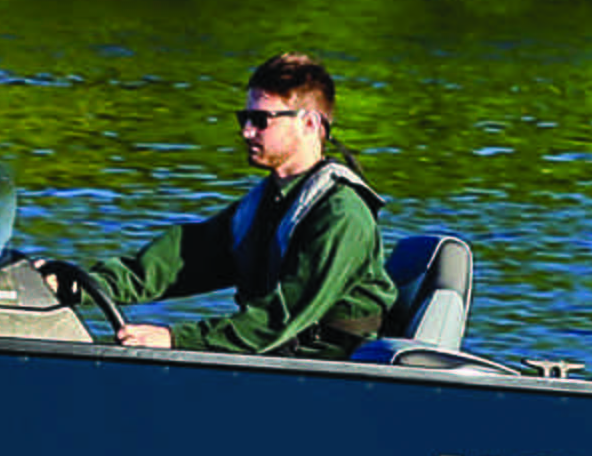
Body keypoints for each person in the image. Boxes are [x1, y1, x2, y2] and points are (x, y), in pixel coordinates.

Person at [56, 52, 396, 357]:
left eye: (261, 120)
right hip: (273, 357)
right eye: (244, 118)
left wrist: (175, 339)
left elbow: (280, 317)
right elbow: (177, 262)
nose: (247, 132)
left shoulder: (342, 215)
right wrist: (74, 284)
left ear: (309, 123)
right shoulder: (265, 205)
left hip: (325, 369)